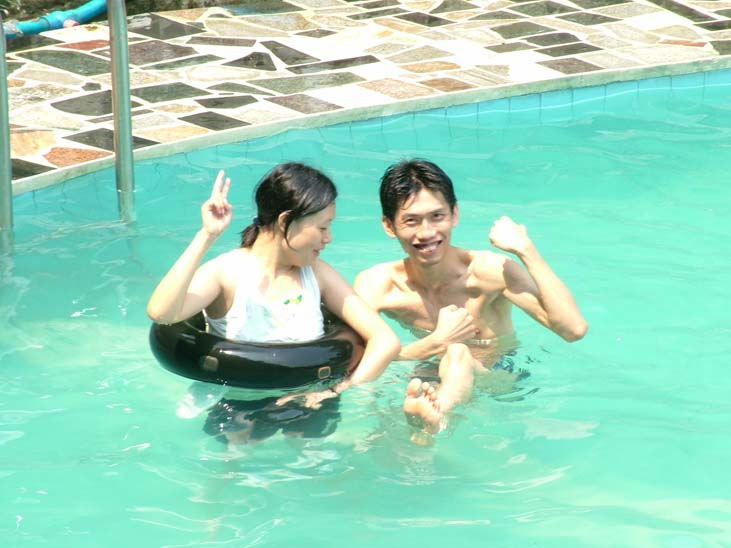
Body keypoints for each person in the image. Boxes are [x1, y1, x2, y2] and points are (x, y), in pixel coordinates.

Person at [354, 158, 588, 438]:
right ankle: (429, 420)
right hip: (431, 370)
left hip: (500, 378)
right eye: (411, 221)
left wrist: (526, 251)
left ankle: (437, 416)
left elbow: (573, 329)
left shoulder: (490, 272)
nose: (426, 233)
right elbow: (352, 359)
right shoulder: (379, 285)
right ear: (389, 226)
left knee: (458, 353)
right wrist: (435, 343)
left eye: (437, 216)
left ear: (454, 214)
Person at [147, 163, 401, 417]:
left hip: (309, 402)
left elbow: (385, 341)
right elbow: (162, 313)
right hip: (238, 403)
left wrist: (336, 390)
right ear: (285, 221)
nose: (328, 238)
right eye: (322, 228)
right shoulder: (226, 273)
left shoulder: (318, 274)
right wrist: (207, 235)